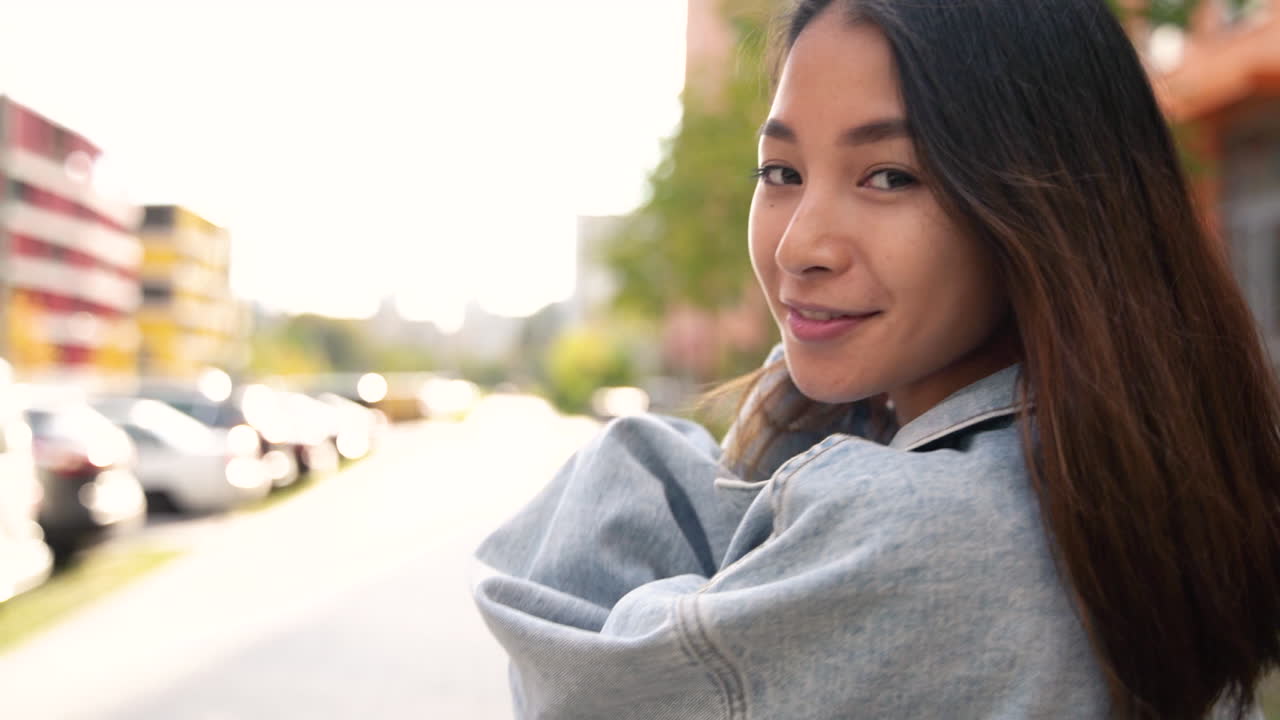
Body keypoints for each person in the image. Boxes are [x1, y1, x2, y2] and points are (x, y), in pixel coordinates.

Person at [472, 1, 1280, 718]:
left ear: (1043, 206)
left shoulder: (920, 529)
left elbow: (582, 690)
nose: (799, 245)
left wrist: (634, 467)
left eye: (888, 177)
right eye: (781, 172)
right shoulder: (1116, 479)